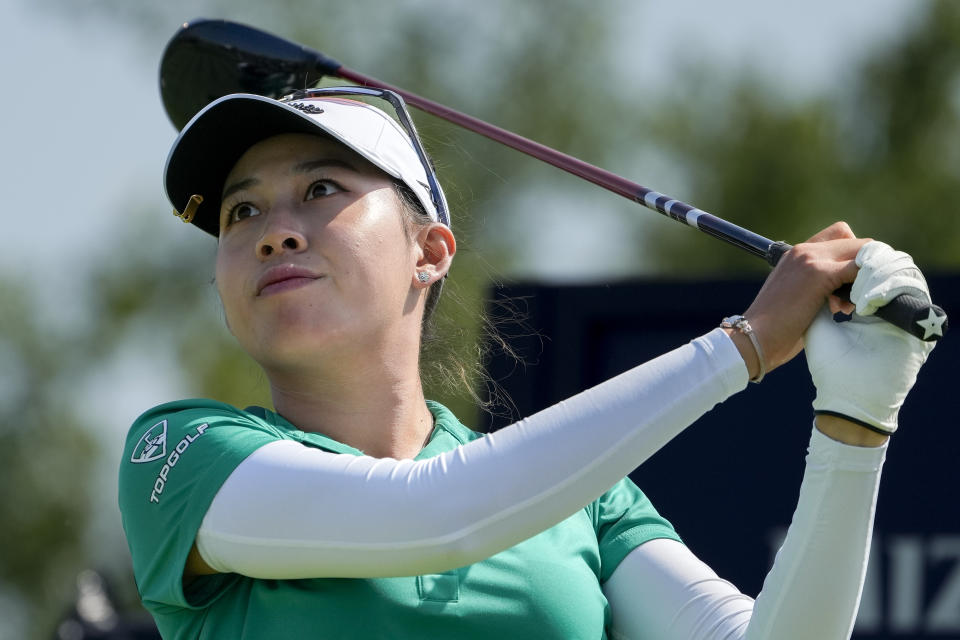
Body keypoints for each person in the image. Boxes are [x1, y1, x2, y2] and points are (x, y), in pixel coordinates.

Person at [118, 87, 936, 640]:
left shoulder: (585, 500)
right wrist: (745, 344)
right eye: (242, 209)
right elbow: (434, 516)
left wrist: (855, 424)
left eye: (322, 189)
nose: (274, 230)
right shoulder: (184, 453)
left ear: (429, 251)